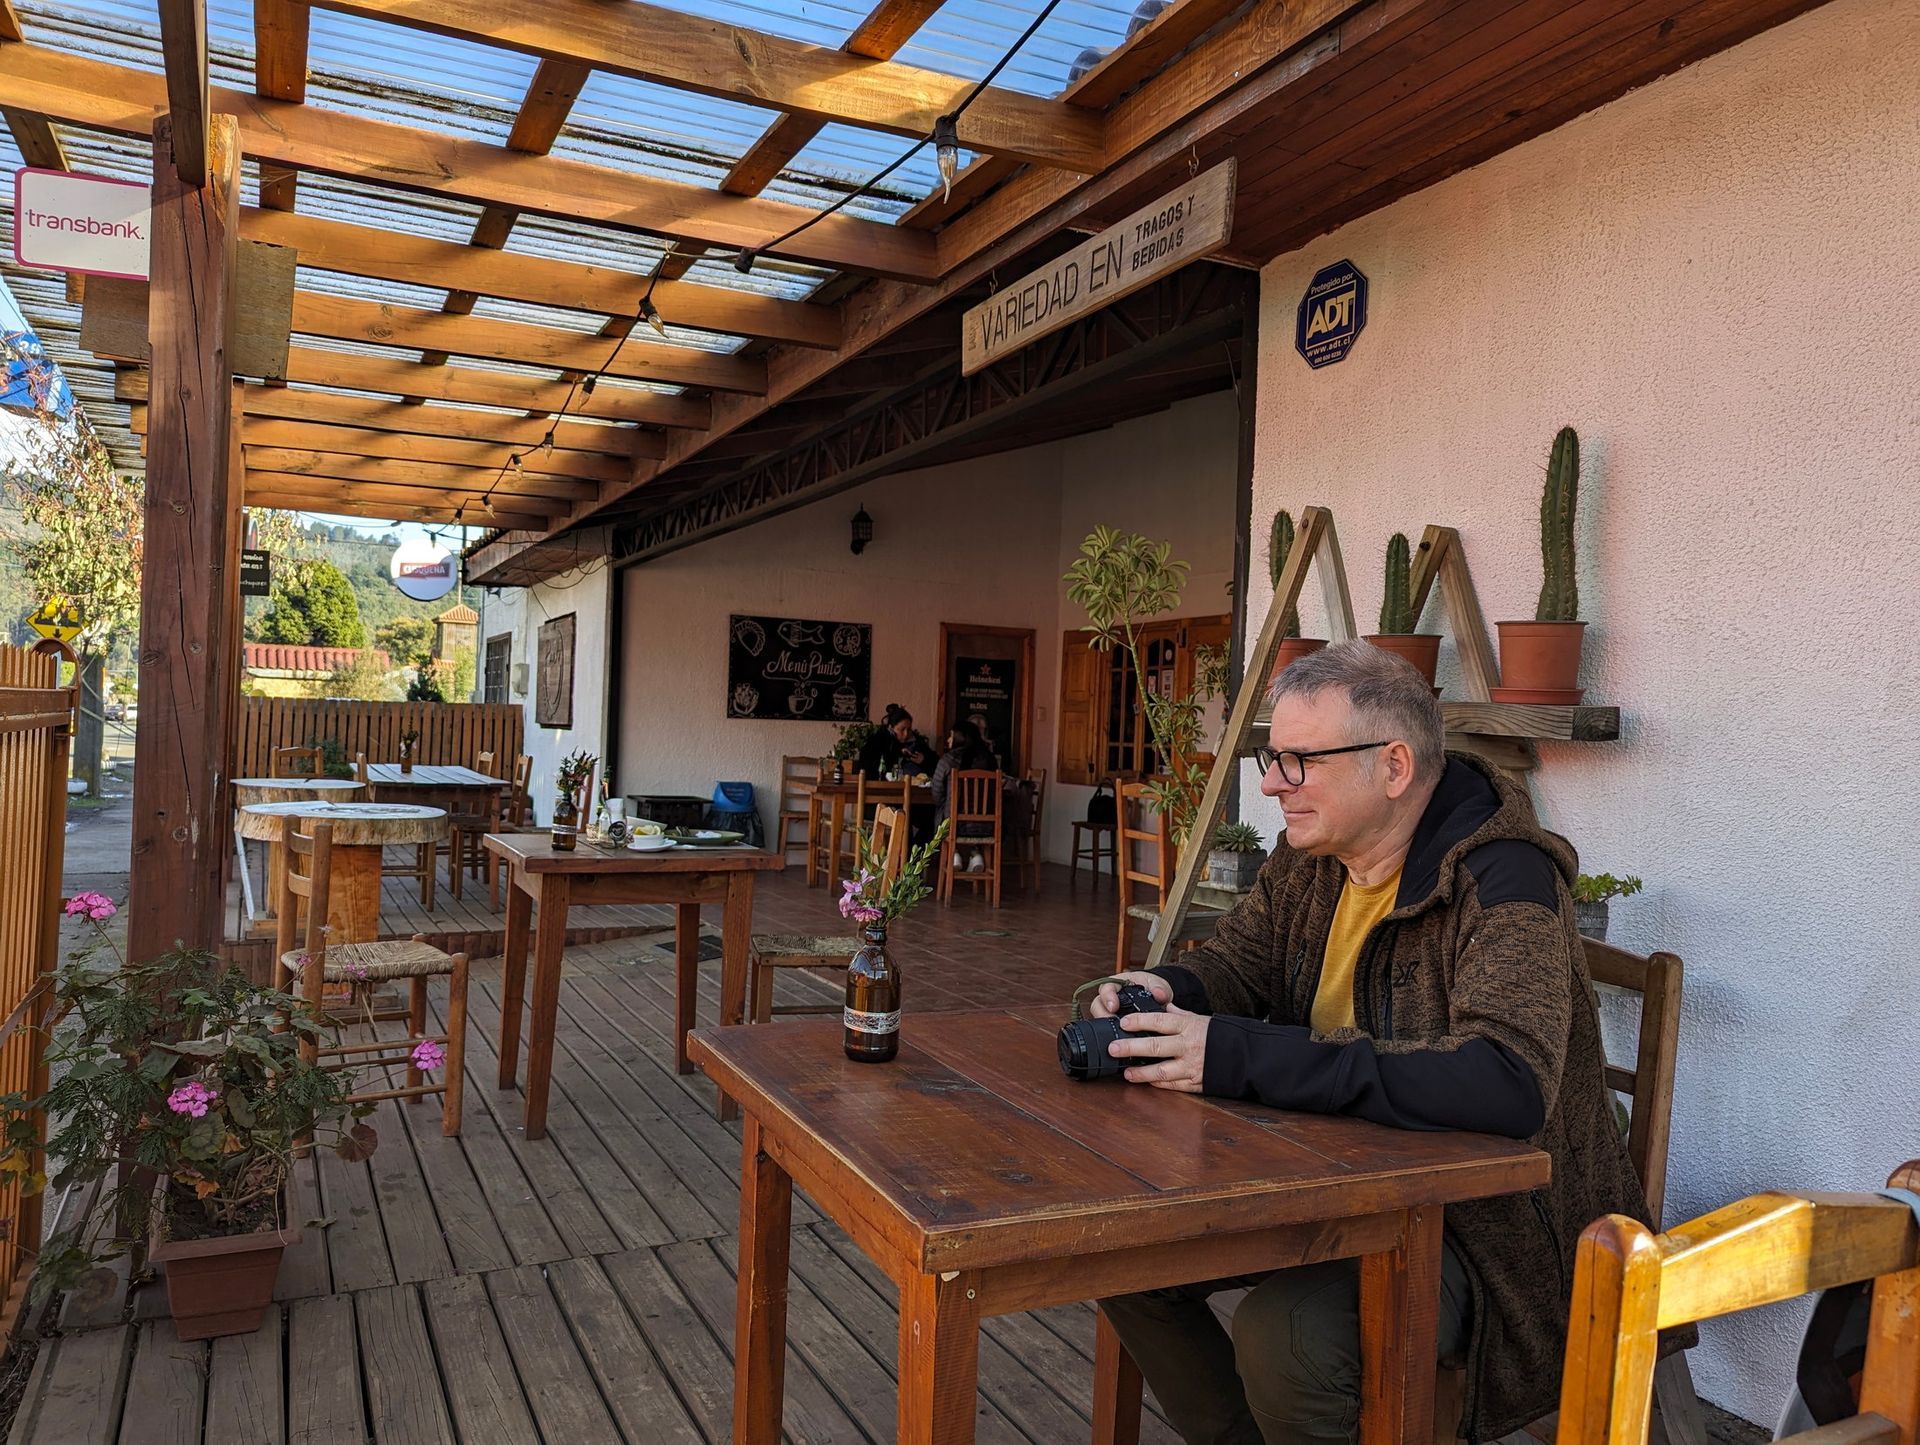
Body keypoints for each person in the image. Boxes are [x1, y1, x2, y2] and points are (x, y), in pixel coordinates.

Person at [1088, 640, 1655, 1445]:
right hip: (1330, 1184)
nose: (1271, 783)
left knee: (1287, 1337)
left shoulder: (1506, 879)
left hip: (1488, 1230)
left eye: (1298, 761)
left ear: (1393, 766)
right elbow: (1235, 964)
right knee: (1120, 1251)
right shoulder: (1312, 859)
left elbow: (1508, 1082)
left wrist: (1237, 1054)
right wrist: (1162, 989)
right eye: (1272, 757)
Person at [926, 719, 999, 862]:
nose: (948, 739)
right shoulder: (990, 760)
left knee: (941, 809)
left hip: (954, 825)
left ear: (959, 738)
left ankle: (955, 853)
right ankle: (975, 852)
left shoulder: (948, 760)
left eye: (951, 735)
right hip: (987, 825)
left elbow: (937, 794)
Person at [855, 704, 930, 779]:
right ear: (891, 728)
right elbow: (866, 769)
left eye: (909, 729)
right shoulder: (877, 742)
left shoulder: (917, 742)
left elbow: (933, 765)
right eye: (902, 729)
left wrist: (924, 760)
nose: (906, 734)